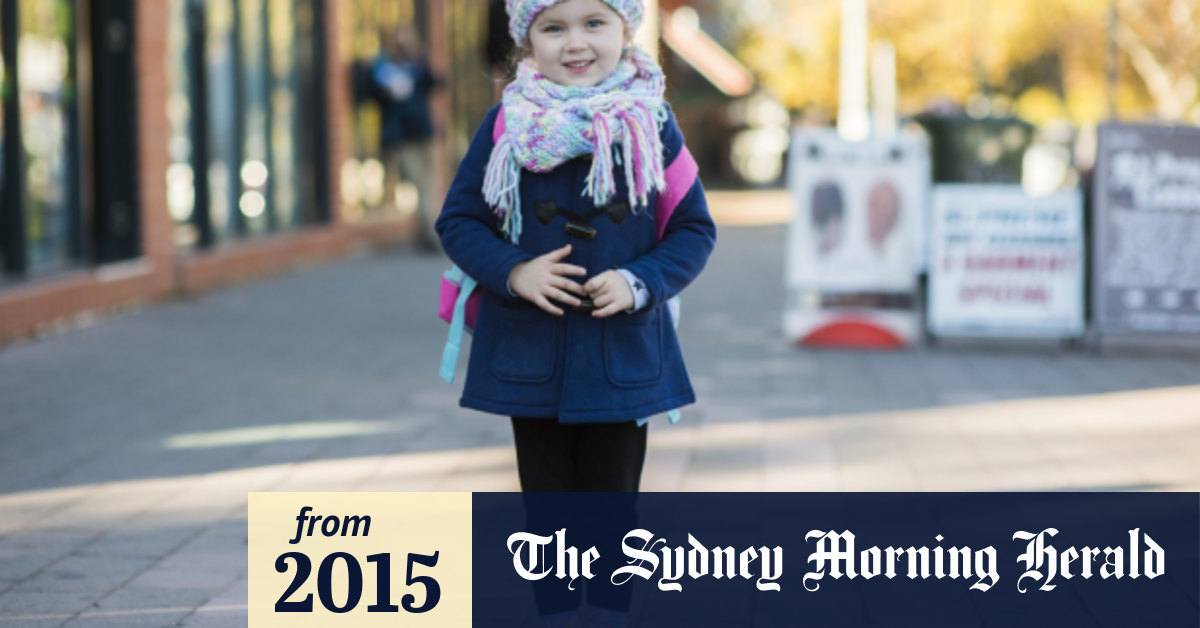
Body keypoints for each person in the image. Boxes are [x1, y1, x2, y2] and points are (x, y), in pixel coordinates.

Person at [436, 0, 715, 623]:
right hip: (531, 354)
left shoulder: (654, 124)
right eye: (553, 27)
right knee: (547, 511)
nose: (575, 43)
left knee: (614, 506)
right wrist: (513, 270)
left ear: (625, 29)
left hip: (623, 353)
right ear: (526, 40)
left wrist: (641, 281)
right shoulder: (505, 125)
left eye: (595, 23)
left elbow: (694, 230)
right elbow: (459, 220)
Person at [374, 24, 438, 249]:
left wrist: (421, 55)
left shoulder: (418, 64)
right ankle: (427, 232)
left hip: (421, 130)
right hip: (401, 133)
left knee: (426, 183)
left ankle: (426, 232)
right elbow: (375, 95)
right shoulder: (384, 66)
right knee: (416, 182)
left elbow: (436, 83)